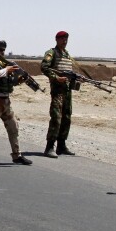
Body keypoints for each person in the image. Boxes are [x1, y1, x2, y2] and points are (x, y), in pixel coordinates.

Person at [0, 40, 32, 166]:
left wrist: (20, 79)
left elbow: (10, 82)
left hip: (6, 100)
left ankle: (16, 155)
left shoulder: (5, 64)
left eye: (3, 49)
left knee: (13, 127)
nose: (2, 52)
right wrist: (6, 70)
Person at [40, 30, 77, 158]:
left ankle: (61, 145)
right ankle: (50, 146)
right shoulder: (51, 53)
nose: (65, 41)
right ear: (57, 39)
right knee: (56, 117)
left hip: (67, 90)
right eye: (62, 39)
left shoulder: (67, 54)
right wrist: (56, 78)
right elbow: (44, 67)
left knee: (67, 117)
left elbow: (68, 72)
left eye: (66, 39)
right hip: (57, 90)